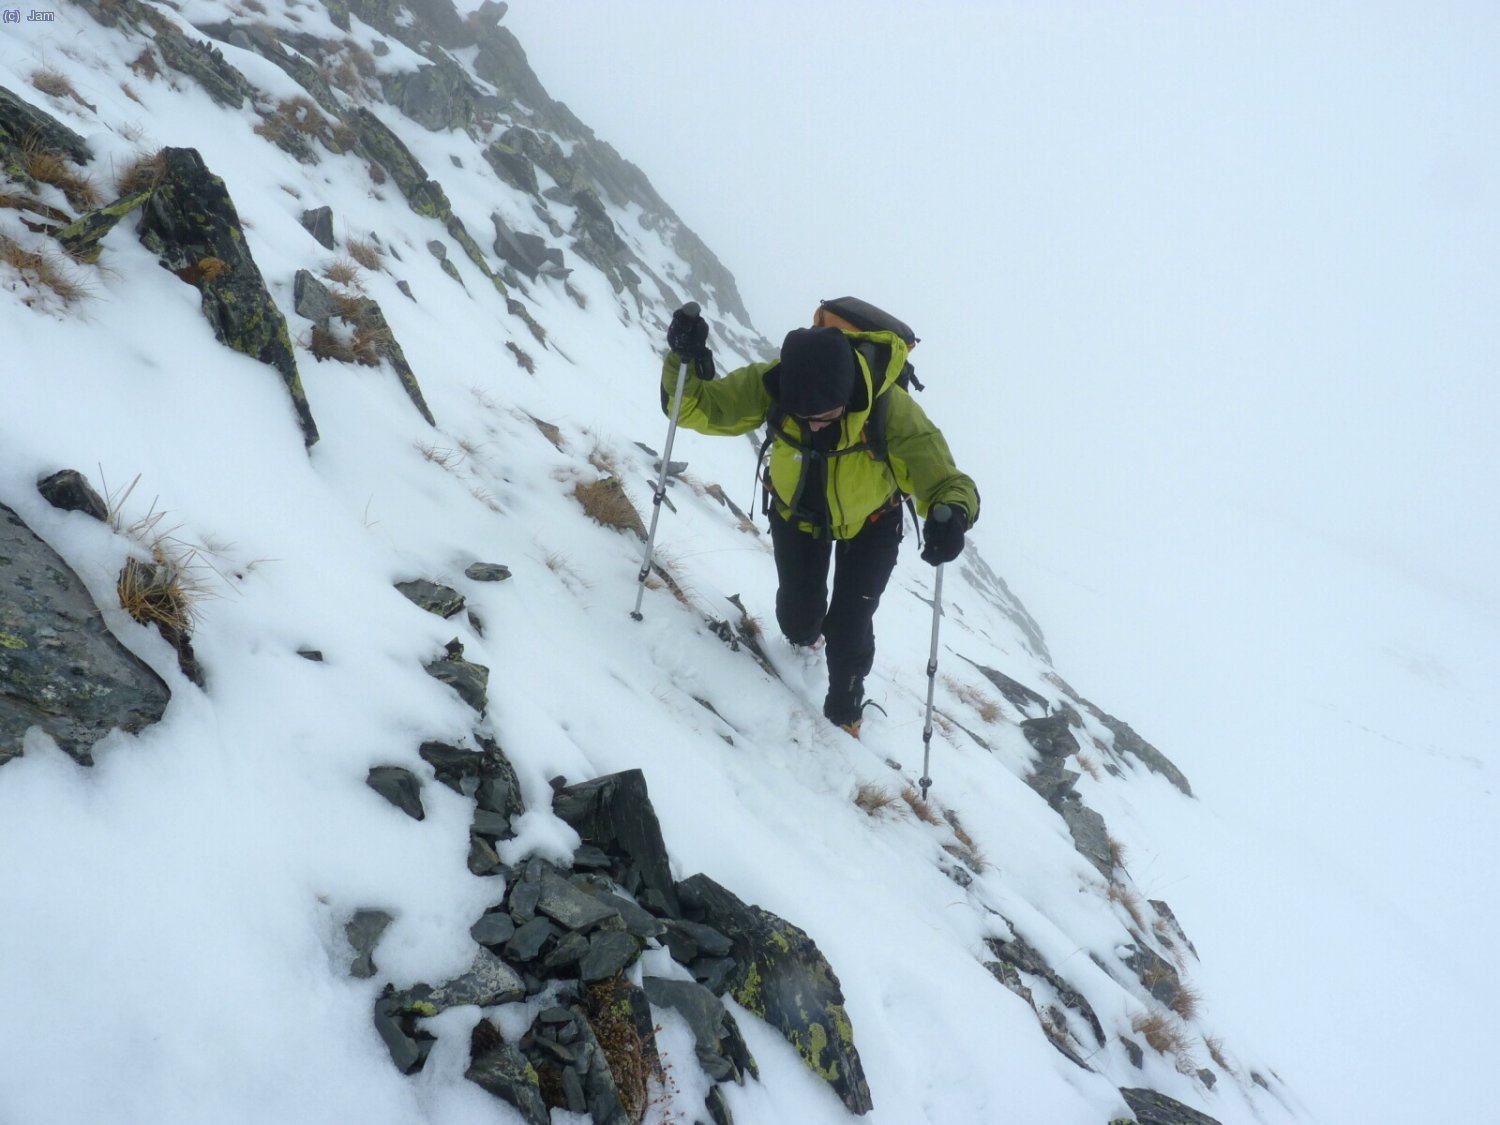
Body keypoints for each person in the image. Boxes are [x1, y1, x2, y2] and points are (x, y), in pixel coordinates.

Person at [660, 303, 980, 735]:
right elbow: (693, 407)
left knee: (849, 627)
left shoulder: (891, 409)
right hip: (797, 515)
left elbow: (944, 478)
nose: (812, 427)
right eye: (802, 417)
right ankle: (803, 644)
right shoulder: (775, 382)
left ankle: (846, 712)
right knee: (796, 616)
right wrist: (683, 357)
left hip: (872, 524)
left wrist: (952, 515)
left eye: (824, 417)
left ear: (848, 395)